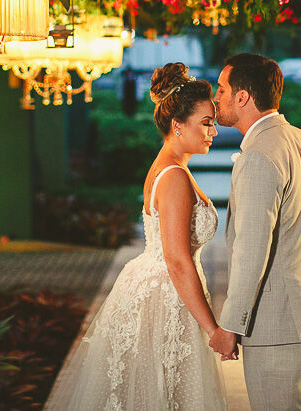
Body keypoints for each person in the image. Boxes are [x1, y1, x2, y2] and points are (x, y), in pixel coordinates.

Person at [48, 63, 228, 410]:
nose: (214, 132)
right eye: (206, 123)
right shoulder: (174, 175)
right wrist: (213, 330)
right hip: (167, 294)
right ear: (178, 125)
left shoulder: (167, 166)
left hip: (158, 286)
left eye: (213, 123)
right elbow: (177, 260)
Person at [209, 53, 301, 411]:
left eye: (222, 89)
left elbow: (251, 250)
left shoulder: (257, 156)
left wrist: (231, 325)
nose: (216, 98)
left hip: (279, 324)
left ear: (243, 97)